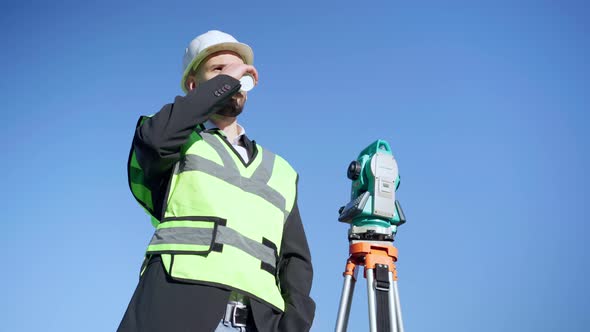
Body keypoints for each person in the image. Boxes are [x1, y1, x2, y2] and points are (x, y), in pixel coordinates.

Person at [117, 30, 316, 332]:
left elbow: (295, 261)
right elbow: (155, 142)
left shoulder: (282, 171)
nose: (233, 79)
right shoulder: (173, 138)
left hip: (260, 320)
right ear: (196, 86)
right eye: (219, 70)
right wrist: (224, 84)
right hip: (175, 303)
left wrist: (292, 325)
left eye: (237, 72)